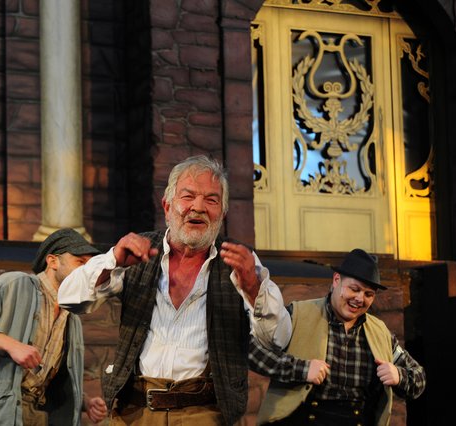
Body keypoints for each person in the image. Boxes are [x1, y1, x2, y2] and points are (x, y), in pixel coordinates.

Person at [58, 155, 292, 425]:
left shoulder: (241, 262)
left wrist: (252, 288)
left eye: (212, 200)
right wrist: (113, 261)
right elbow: (69, 298)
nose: (198, 207)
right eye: (188, 196)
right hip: (134, 411)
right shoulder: (138, 251)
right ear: (167, 206)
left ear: (223, 214)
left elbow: (278, 339)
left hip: (204, 413)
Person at [0, 228, 108, 426]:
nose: (86, 271)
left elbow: (47, 376)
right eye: (80, 262)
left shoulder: (71, 316)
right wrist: (10, 344)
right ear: (53, 261)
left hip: (34, 414)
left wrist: (84, 402)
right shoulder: (16, 284)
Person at [250, 248, 426, 426]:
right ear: (336, 281)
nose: (360, 299)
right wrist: (300, 369)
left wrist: (399, 376)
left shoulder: (380, 332)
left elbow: (419, 377)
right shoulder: (297, 314)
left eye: (368, 294)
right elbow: (252, 351)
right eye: (354, 289)